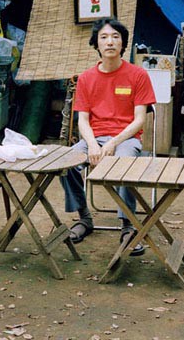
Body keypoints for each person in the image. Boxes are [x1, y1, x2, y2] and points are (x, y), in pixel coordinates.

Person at [60, 17, 156, 256]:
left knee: (124, 163)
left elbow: (139, 120)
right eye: (104, 37)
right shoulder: (86, 78)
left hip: (126, 139)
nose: (110, 42)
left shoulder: (138, 75)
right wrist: (92, 144)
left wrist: (113, 143)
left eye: (115, 37)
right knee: (65, 163)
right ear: (96, 44)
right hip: (95, 137)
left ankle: (127, 225)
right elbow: (82, 119)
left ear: (123, 43)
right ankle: (84, 217)